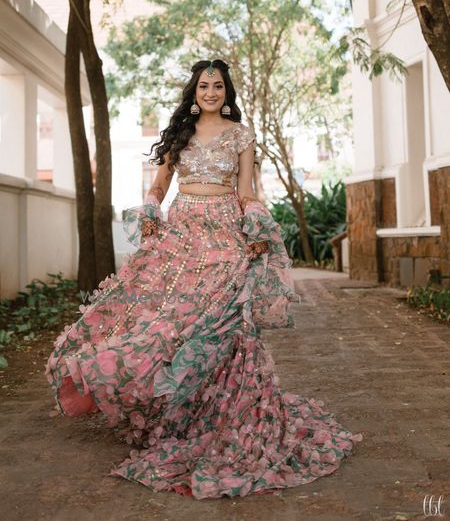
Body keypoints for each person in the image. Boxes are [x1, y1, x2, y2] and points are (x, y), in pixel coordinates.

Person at [45, 59, 363, 499]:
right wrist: (152, 210)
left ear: (227, 91)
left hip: (225, 232)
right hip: (181, 235)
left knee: (225, 323)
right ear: (194, 92)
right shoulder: (180, 135)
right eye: (203, 85)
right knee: (170, 322)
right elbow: (160, 186)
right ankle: (178, 412)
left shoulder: (241, 134)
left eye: (217, 85)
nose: (210, 91)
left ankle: (227, 412)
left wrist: (254, 226)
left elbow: (247, 190)